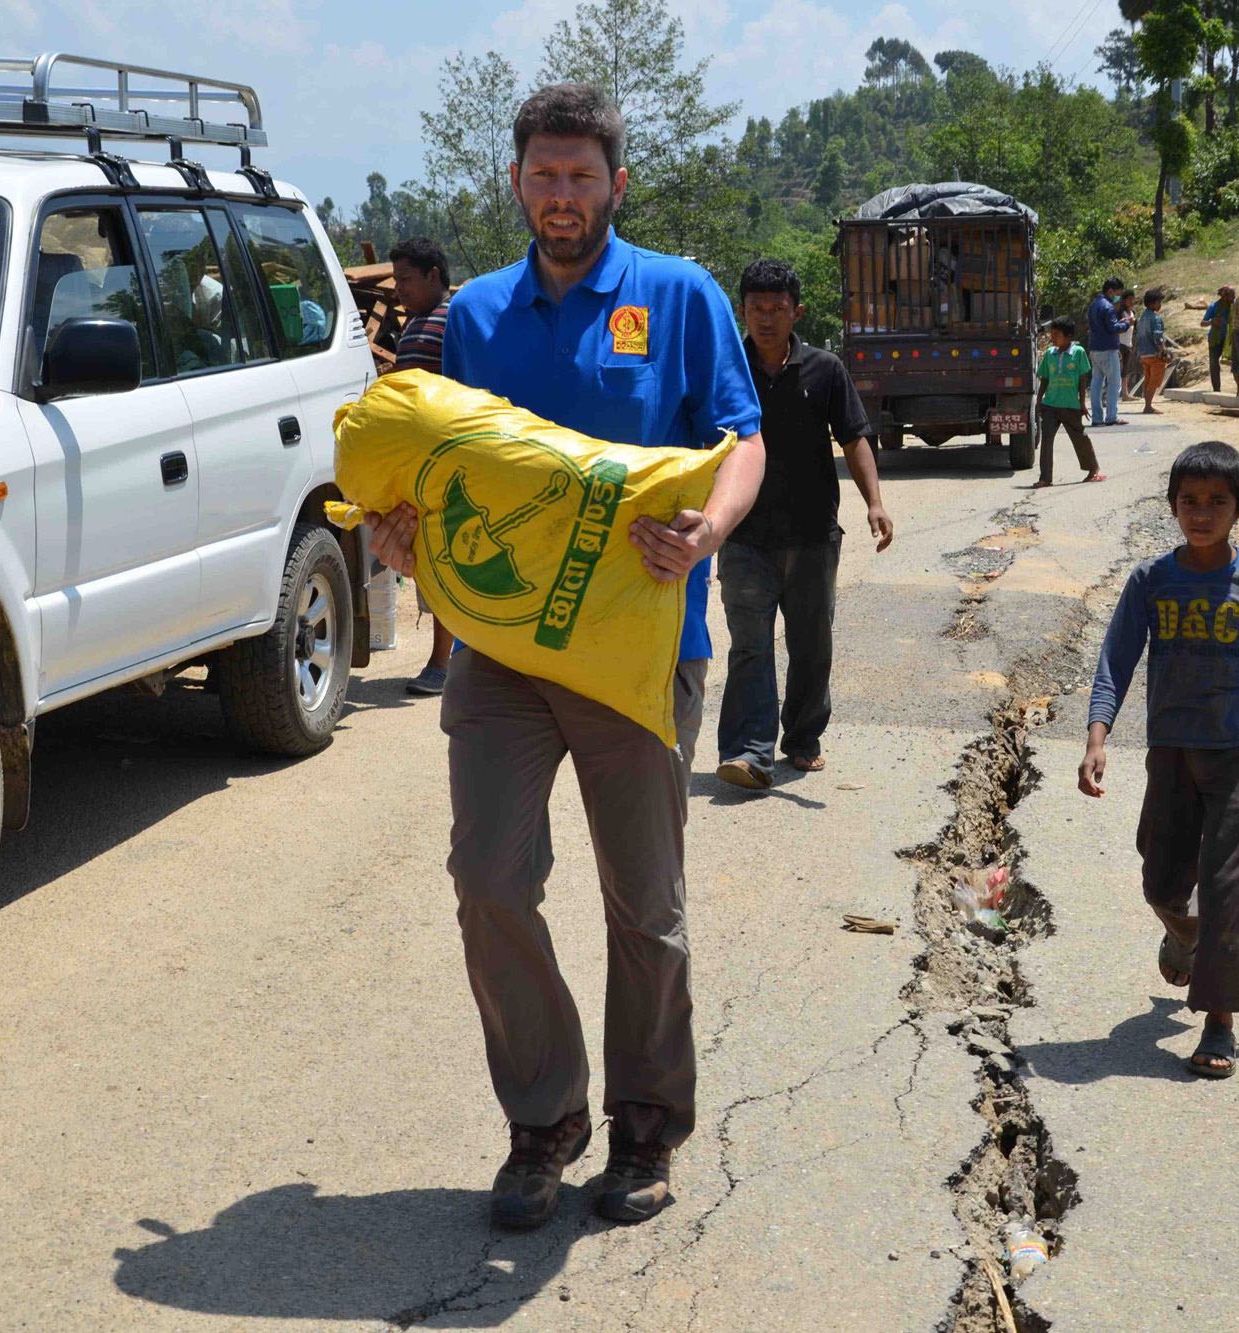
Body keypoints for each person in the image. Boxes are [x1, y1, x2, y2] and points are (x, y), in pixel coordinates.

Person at [364, 83, 766, 1232]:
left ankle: (645, 1129)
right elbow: (430, 464)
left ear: (615, 185)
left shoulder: (678, 295)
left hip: (642, 646)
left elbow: (739, 439)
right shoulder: (475, 317)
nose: (561, 195)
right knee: (488, 880)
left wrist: (709, 529)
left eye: (581, 176)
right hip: (500, 653)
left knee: (645, 904)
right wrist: (401, 531)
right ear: (516, 183)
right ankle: (543, 1122)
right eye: (543, 174)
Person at [1080, 441, 1239, 1079]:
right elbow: (1115, 662)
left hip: (1237, 755)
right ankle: (1182, 932)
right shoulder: (1152, 580)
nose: (1202, 513)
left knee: (1229, 892)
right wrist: (1098, 737)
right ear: (1173, 506)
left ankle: (1218, 1021)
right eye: (1190, 501)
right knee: (1160, 880)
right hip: (1172, 756)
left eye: (1217, 502)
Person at [715, 259, 893, 791]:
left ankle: (803, 738)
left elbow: (855, 436)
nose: (765, 319)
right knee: (750, 645)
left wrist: (875, 502)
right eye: (755, 309)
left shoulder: (826, 369)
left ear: (797, 312)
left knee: (811, 643)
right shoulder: (727, 368)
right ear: (740, 310)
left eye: (776, 309)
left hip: (814, 535)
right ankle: (749, 752)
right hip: (744, 536)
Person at [387, 236, 456, 696]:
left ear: (434, 276)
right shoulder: (413, 324)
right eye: (394, 279)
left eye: (406, 279)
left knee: (446, 560)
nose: (397, 288)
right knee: (429, 558)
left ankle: (441, 663)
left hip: (448, 463)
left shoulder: (455, 320)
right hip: (419, 464)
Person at [1032, 315, 1104, 488]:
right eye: (1052, 334)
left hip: (1070, 406)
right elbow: (1045, 379)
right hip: (1050, 405)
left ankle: (1093, 468)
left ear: (1069, 336)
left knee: (1079, 438)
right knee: (1047, 441)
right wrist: (1040, 400)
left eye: (1057, 334)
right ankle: (1045, 478)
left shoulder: (1078, 353)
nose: (1053, 337)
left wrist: (1082, 403)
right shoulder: (1050, 354)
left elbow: (1082, 379)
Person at [1086, 277, 1130, 425]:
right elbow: (1113, 328)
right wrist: (1126, 324)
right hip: (1108, 349)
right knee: (1114, 383)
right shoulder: (1109, 307)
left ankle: (1097, 418)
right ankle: (1111, 416)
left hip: (1094, 348)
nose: (1118, 297)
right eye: (1118, 293)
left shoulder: (1093, 305)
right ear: (1111, 291)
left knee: (1096, 383)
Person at [1134, 287, 1169, 414]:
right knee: (1154, 381)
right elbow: (1158, 336)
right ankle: (1148, 406)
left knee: (1147, 379)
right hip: (1155, 354)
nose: (1160, 305)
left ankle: (1147, 403)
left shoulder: (1141, 318)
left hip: (1143, 354)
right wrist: (1163, 350)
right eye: (1159, 302)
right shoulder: (1155, 318)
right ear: (1152, 303)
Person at [1200, 285, 1234, 393]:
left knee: (1237, 362)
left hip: (1229, 339)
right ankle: (1216, 389)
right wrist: (1212, 321)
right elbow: (1202, 323)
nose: (1233, 298)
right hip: (1215, 339)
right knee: (1214, 363)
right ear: (1224, 296)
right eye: (1231, 296)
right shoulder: (1213, 307)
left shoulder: (1233, 307)